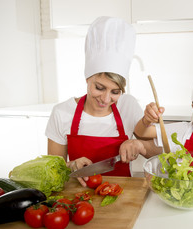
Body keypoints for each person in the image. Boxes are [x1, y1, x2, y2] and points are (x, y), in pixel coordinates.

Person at [45, 16, 160, 186]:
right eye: (99, 88)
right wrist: (71, 166)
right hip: (77, 197)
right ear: (87, 79)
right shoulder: (62, 112)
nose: (106, 99)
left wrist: (139, 145)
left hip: (122, 193)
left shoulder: (128, 105)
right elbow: (50, 169)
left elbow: (157, 154)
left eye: (115, 92)